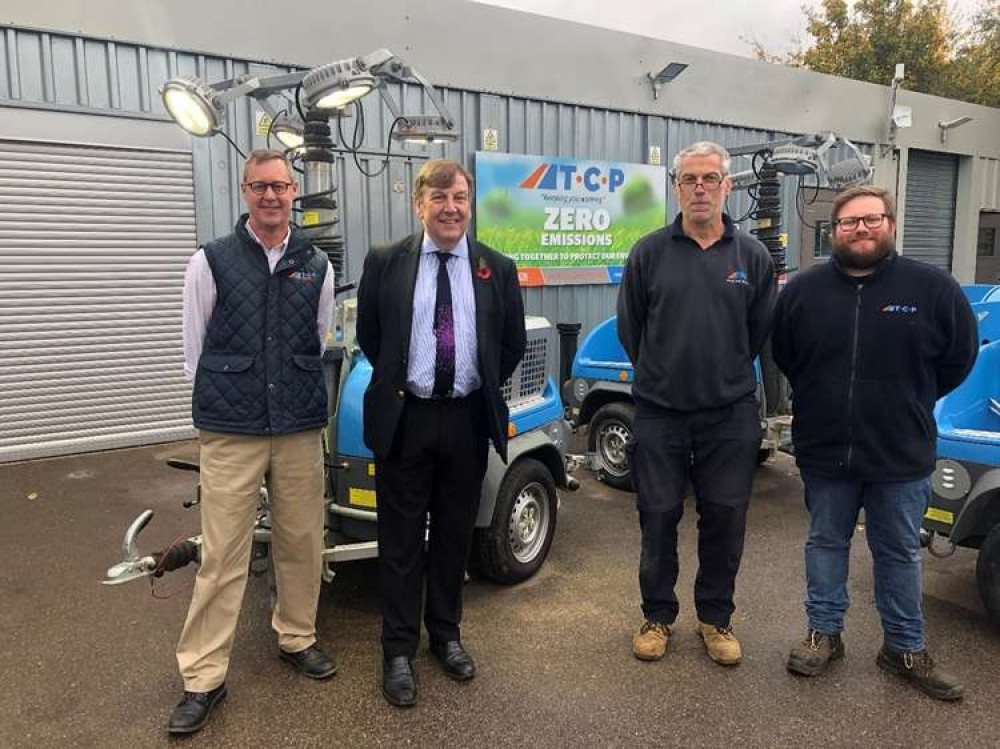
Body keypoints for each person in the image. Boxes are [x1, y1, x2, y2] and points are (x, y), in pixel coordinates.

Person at [772, 185, 977, 700]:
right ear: (833, 231)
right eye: (849, 222)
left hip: (900, 450)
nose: (860, 229)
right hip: (824, 448)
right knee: (825, 543)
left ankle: (904, 647)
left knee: (900, 552)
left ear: (889, 223)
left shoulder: (933, 288)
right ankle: (824, 634)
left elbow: (958, 359)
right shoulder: (803, 290)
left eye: (871, 219)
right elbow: (786, 355)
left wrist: (909, 399)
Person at [168, 149, 338, 734]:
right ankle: (203, 676)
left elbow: (317, 339)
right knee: (221, 555)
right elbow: (195, 352)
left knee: (301, 540)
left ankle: (297, 637)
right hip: (231, 429)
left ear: (295, 192)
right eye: (259, 186)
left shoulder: (316, 263)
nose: (270, 196)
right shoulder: (209, 261)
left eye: (280, 186)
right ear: (244, 192)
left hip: (296, 426)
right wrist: (223, 408)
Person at [356, 158, 526, 707]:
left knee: (455, 536)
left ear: (469, 204)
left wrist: (473, 386)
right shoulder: (386, 262)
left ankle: (445, 636)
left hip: (466, 419)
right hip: (406, 418)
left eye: (459, 198)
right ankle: (398, 650)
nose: (450, 208)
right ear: (420, 204)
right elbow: (372, 338)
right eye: (439, 198)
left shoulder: (496, 267)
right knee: (401, 541)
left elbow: (510, 343)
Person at [617, 141, 776, 666]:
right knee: (657, 517)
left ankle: (715, 618)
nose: (700, 188)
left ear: (727, 186)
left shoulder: (750, 255)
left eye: (710, 178)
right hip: (661, 413)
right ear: (676, 187)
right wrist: (664, 376)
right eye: (690, 179)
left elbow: (756, 334)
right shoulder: (648, 252)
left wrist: (722, 374)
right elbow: (631, 330)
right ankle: (657, 617)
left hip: (729, 415)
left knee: (725, 518)